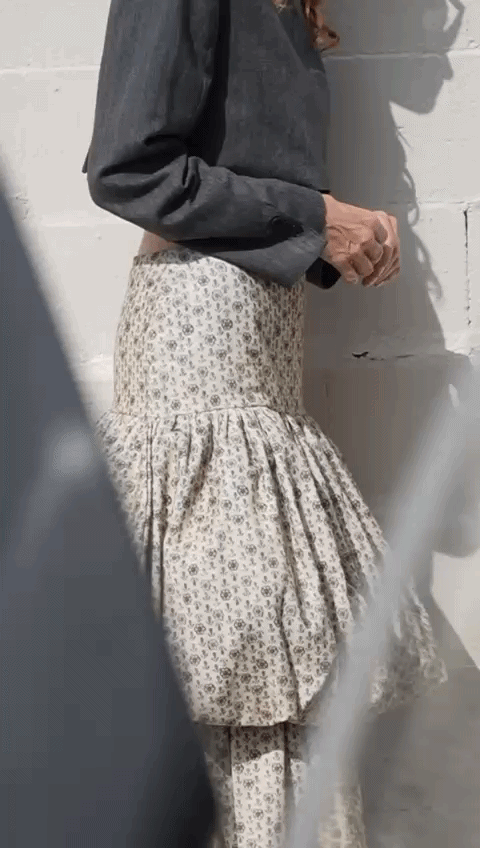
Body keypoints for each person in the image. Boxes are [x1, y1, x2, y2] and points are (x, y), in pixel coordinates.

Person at [82, 0, 446, 845]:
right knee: (229, 664)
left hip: (260, 343)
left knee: (273, 662)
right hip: (200, 339)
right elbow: (128, 168)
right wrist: (320, 218)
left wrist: (321, 224)